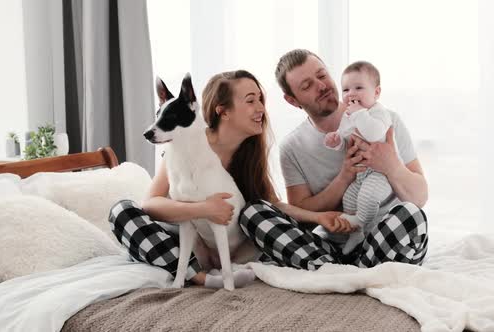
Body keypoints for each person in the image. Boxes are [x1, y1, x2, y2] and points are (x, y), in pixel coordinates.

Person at [108, 70, 352, 288]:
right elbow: (151, 204)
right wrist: (204, 209)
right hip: (194, 246)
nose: (261, 109)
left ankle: (329, 266)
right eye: (250, 101)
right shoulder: (184, 145)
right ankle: (200, 278)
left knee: (256, 210)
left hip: (239, 249)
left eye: (260, 100)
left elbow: (273, 206)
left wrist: (318, 217)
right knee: (122, 211)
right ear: (223, 111)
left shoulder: (251, 153)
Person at [238, 49, 429, 269]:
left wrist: (391, 165)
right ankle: (349, 272)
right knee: (253, 212)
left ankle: (335, 273)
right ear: (292, 100)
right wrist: (344, 176)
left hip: (385, 239)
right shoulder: (292, 147)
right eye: (307, 85)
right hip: (331, 247)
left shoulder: (384, 120)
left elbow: (420, 197)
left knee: (412, 216)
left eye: (322, 75)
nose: (321, 86)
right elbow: (303, 215)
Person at [318, 60, 401, 254]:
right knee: (349, 198)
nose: (351, 94)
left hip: (382, 174)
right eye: (346, 90)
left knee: (368, 196)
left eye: (358, 88)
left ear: (376, 92)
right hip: (362, 174)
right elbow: (345, 134)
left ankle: (364, 224)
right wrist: (336, 140)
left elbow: (373, 133)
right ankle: (357, 233)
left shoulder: (380, 113)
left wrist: (359, 114)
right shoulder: (351, 114)